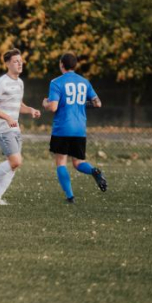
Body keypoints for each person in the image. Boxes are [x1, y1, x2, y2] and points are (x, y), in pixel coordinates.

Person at [42, 52, 107, 204]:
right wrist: (80, 104)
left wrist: (45, 103)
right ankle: (93, 171)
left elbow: (53, 107)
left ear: (61, 65)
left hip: (62, 128)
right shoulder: (84, 82)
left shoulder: (56, 82)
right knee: (78, 162)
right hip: (79, 129)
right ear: (75, 65)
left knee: (61, 162)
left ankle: (70, 197)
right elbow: (98, 103)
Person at [0, 49, 40, 205]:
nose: (19, 64)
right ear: (7, 63)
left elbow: (18, 104)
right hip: (2, 129)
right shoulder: (0, 83)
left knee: (13, 165)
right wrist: (7, 118)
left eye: (20, 61)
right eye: (15, 61)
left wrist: (30, 110)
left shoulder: (20, 83)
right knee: (16, 161)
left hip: (15, 129)